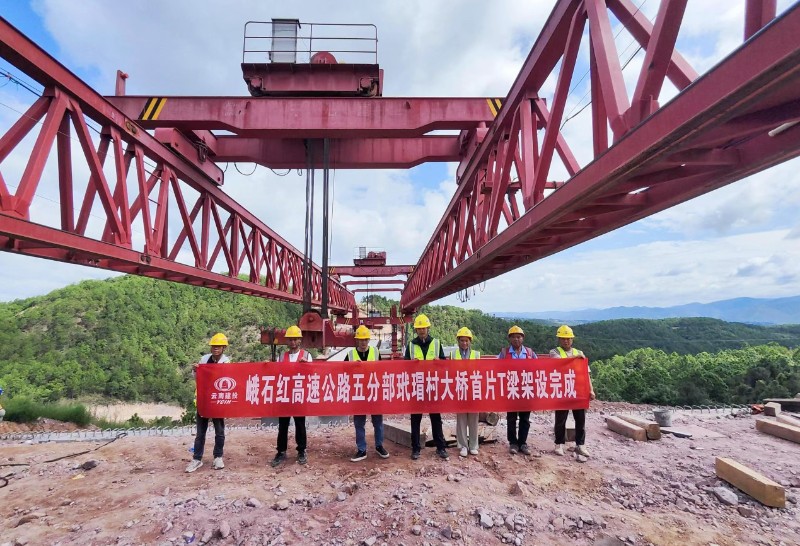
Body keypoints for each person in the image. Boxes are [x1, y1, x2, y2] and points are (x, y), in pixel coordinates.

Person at [404, 313, 449, 460]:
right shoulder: (411, 345)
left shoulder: (436, 343)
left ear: (428, 328)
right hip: (417, 387)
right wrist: (411, 364)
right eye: (419, 328)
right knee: (415, 419)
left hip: (432, 386)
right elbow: (404, 366)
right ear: (416, 330)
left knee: (436, 418)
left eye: (424, 328)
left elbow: (444, 363)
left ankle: (441, 447)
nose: (422, 330)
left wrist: (439, 361)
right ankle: (415, 449)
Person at [186, 333, 230, 473]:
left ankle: (218, 457)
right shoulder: (204, 359)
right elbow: (197, 378)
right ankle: (197, 458)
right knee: (200, 432)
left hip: (218, 400)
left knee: (219, 431)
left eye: (218, 346)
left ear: (224, 348)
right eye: (213, 346)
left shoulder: (226, 362)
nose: (215, 348)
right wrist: (195, 370)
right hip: (204, 399)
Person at [346, 325, 390, 462]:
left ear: (369, 340)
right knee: (359, 423)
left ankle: (379, 446)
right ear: (357, 340)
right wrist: (353, 366)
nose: (363, 342)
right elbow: (343, 373)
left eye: (365, 339)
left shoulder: (376, 352)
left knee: (378, 421)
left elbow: (381, 371)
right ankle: (361, 450)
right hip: (358, 394)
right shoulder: (350, 355)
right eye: (361, 339)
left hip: (373, 392)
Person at [550, 325, 596, 457]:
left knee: (580, 420)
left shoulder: (579, 352)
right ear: (559, 339)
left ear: (572, 339)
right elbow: (559, 363)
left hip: (578, 391)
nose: (566, 341)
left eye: (568, 338)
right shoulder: (555, 352)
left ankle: (580, 445)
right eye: (563, 338)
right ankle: (559, 444)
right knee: (560, 419)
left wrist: (591, 390)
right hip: (562, 390)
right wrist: (576, 358)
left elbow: (586, 374)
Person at [271, 325, 312, 467]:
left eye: (295, 339)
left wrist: (307, 366)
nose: (293, 342)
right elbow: (276, 373)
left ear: (300, 340)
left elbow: (312, 375)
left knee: (300, 424)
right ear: (287, 341)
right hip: (285, 395)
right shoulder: (282, 356)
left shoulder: (306, 356)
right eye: (290, 339)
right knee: (283, 425)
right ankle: (281, 451)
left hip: (299, 395)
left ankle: (301, 450)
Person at [498, 325, 537, 455]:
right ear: (509, 339)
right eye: (513, 337)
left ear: (523, 338)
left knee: (525, 418)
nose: (516, 339)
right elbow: (496, 368)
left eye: (519, 337)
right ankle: (513, 443)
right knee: (511, 418)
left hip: (526, 390)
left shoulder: (530, 353)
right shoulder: (504, 353)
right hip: (511, 390)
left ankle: (523, 443)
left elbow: (539, 368)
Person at [452, 327, 480, 457]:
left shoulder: (476, 355)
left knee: (474, 418)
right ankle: (463, 445)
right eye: (462, 340)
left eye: (466, 340)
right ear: (458, 341)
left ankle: (473, 445)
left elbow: (481, 372)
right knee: (461, 419)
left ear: (470, 341)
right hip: (460, 389)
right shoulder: (453, 355)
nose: (464, 343)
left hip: (473, 389)